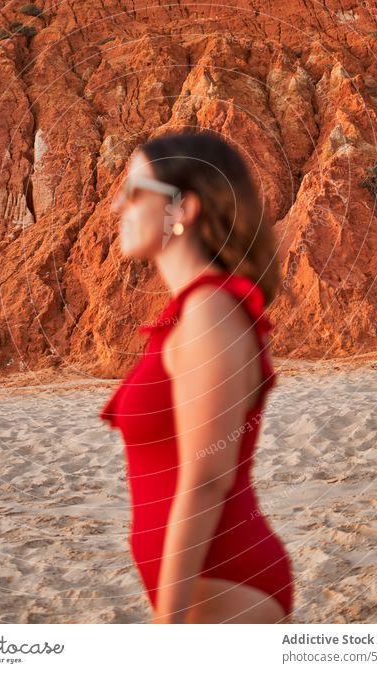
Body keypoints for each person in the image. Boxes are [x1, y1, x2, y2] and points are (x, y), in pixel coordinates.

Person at [99, 128, 294, 624]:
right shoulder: (193, 312)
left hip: (225, 590)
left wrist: (169, 627)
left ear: (182, 209)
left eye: (134, 191)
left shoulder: (210, 312)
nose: (118, 205)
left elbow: (208, 478)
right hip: (205, 591)